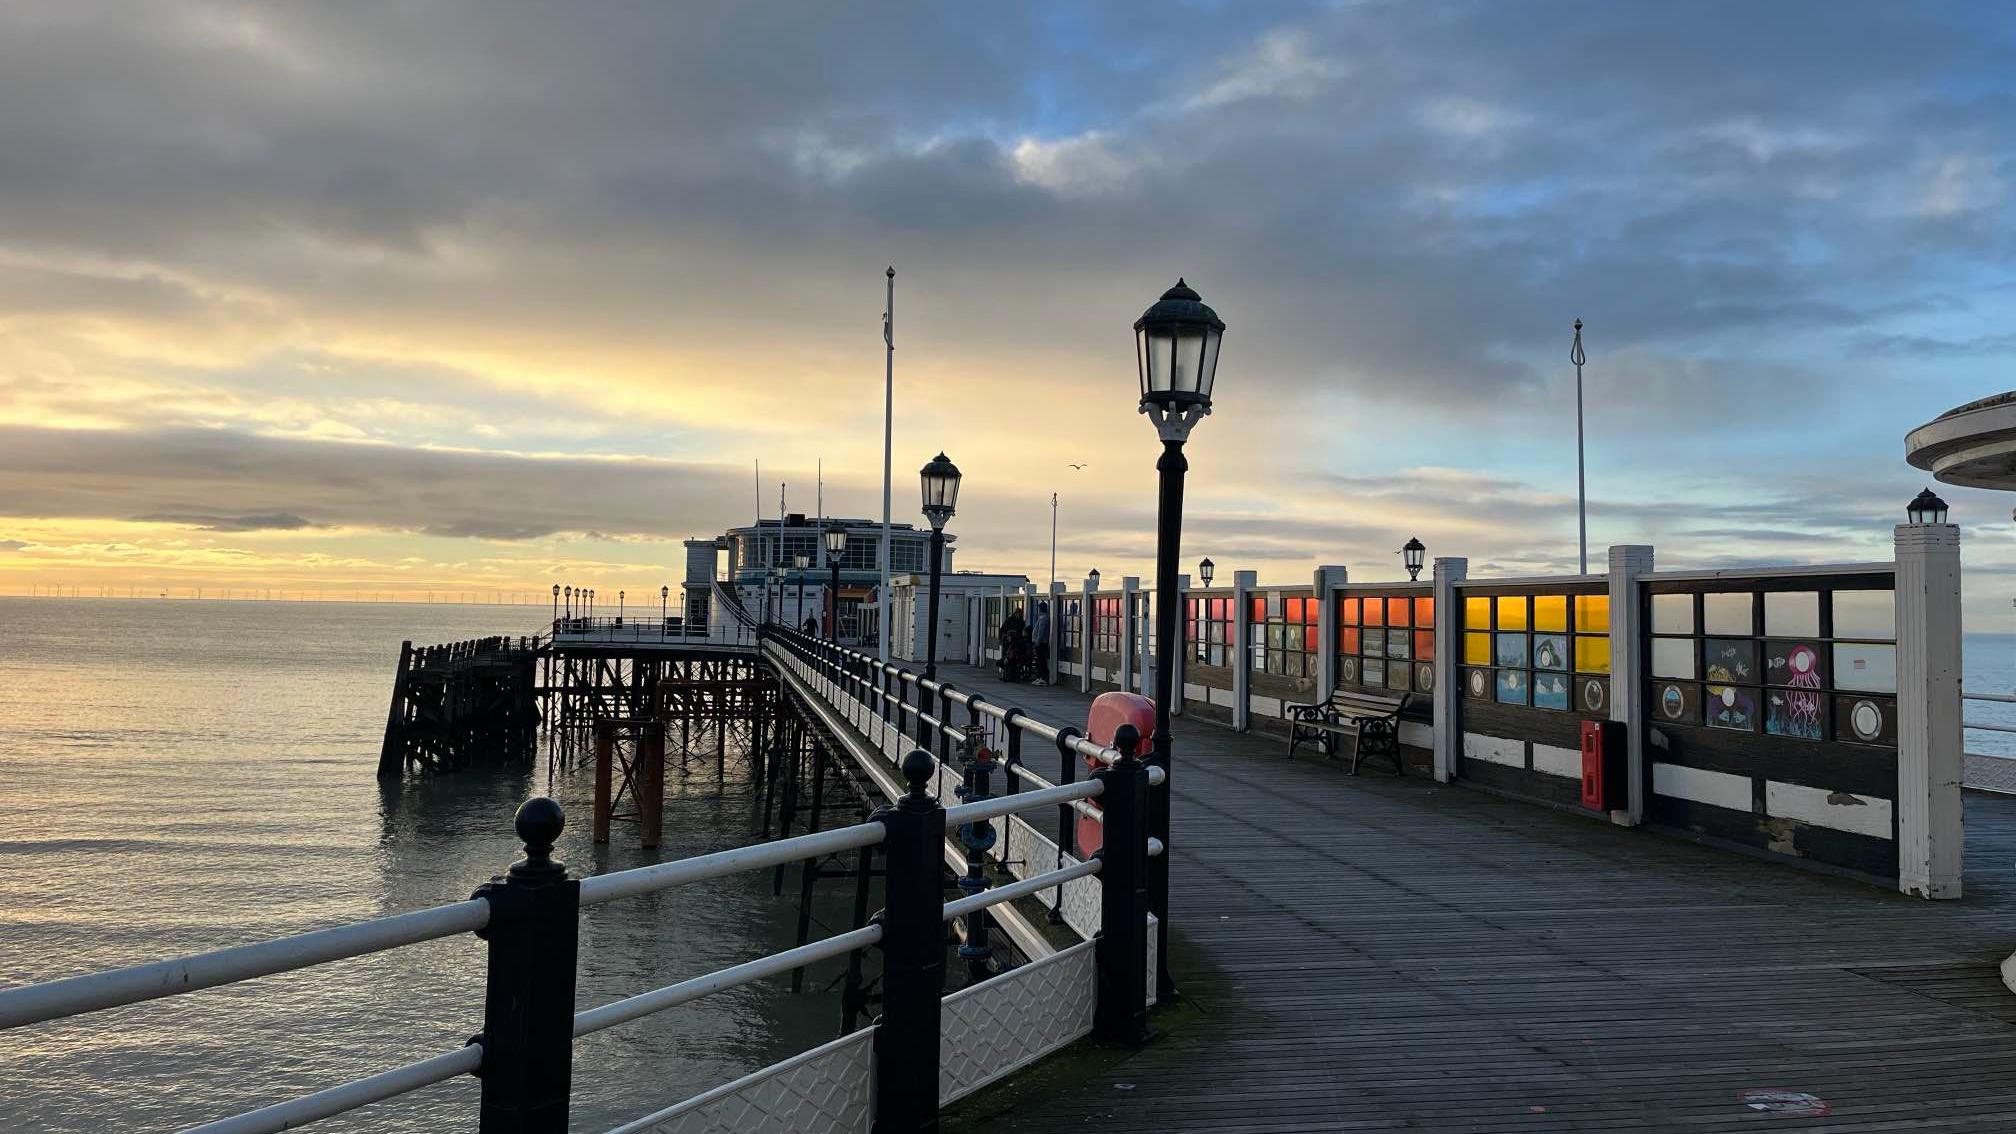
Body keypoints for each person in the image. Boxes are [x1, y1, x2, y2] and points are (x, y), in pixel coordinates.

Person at [1029, 601, 1051, 685]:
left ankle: (1043, 678)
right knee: (1040, 661)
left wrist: (1037, 642)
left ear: (1040, 609)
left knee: (1041, 661)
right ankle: (1040, 677)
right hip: (1041, 643)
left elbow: (1041, 632)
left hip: (1041, 643)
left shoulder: (1043, 618)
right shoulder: (1043, 618)